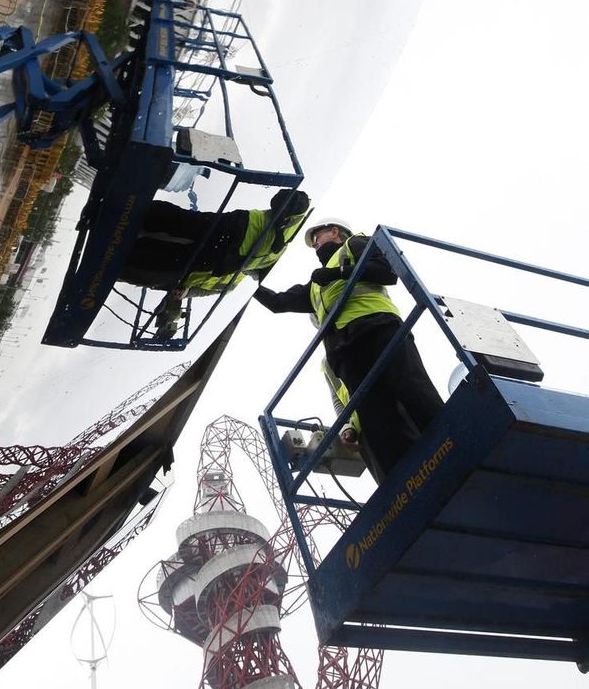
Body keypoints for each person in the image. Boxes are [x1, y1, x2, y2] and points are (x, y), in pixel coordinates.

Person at [253, 219, 444, 482]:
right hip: (344, 350)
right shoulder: (315, 285)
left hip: (377, 325)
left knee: (411, 387)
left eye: (317, 236)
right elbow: (277, 302)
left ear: (335, 232)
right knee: (375, 417)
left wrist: (340, 273)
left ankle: (451, 439)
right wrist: (247, 281)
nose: (315, 244)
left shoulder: (354, 245)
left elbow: (387, 273)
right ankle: (404, 483)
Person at [118, 189, 310, 297]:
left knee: (168, 261)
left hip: (224, 262)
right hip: (239, 227)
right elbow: (291, 199)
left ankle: (120, 259)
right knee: (183, 223)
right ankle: (132, 211)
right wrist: (280, 222)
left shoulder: (255, 273)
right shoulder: (299, 223)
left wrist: (187, 292)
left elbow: (209, 290)